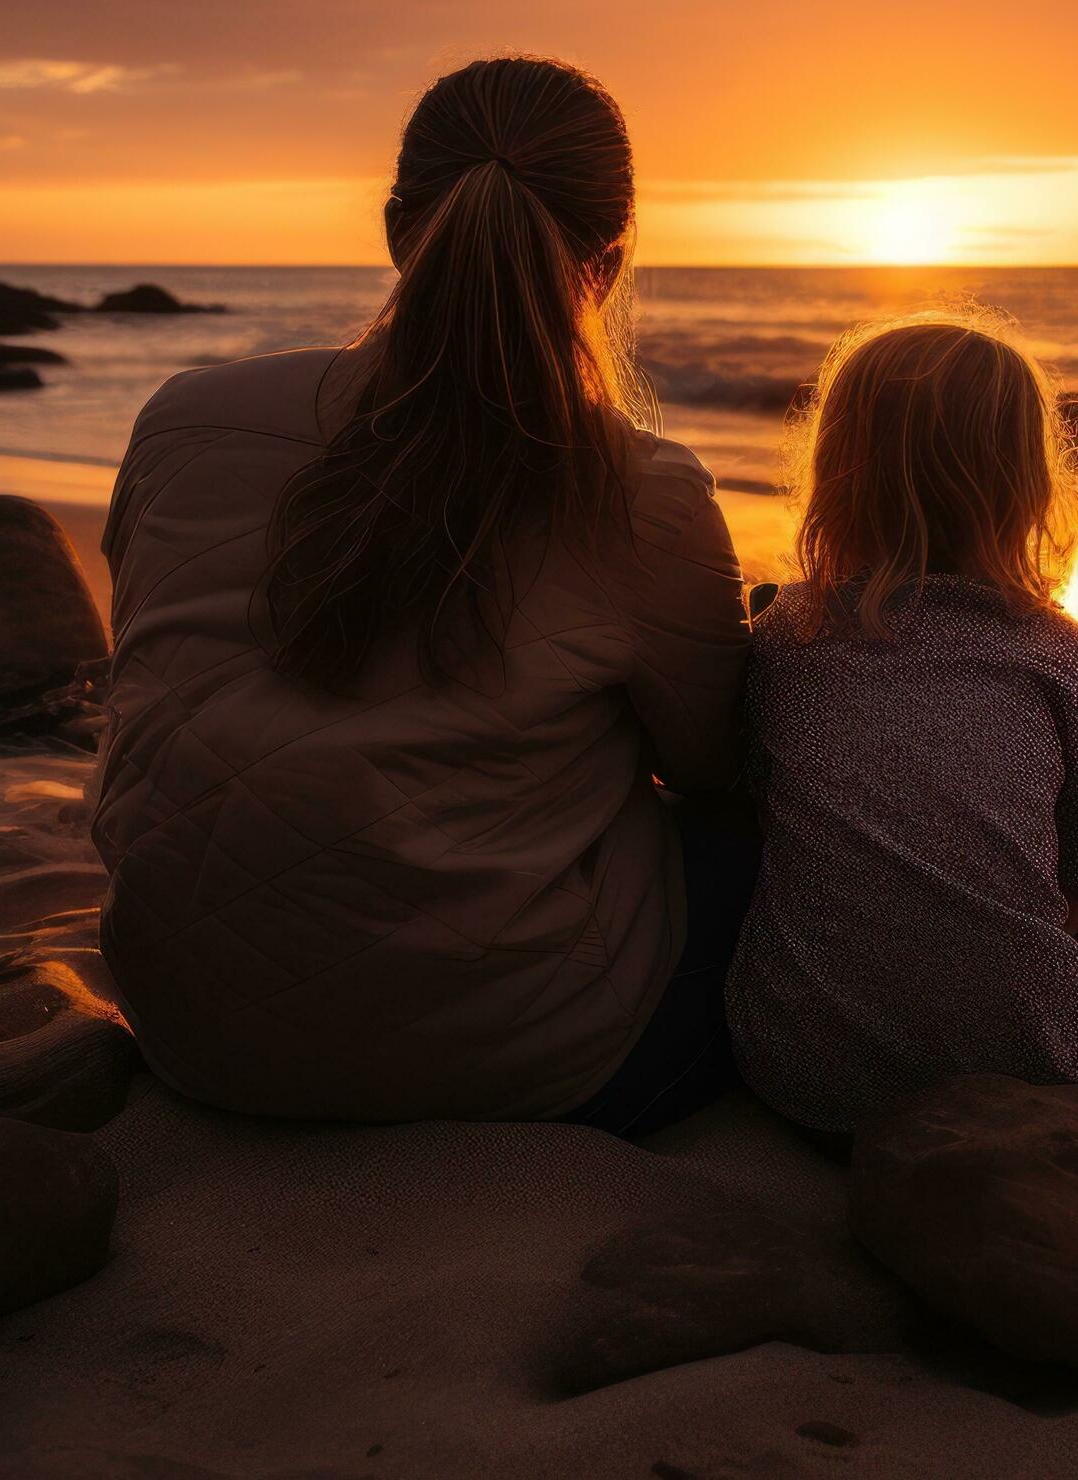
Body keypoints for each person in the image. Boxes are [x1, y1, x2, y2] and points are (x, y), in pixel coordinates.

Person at [91, 57, 753, 1135]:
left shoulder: (180, 423)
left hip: (188, 1031)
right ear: (612, 261)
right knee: (759, 845)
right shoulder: (638, 489)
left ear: (400, 229)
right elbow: (717, 762)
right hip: (516, 1065)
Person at [728, 313, 1078, 1137]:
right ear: (1027, 489)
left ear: (835, 474)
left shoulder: (784, 638)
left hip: (798, 1076)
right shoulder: (1061, 655)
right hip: (1017, 1076)